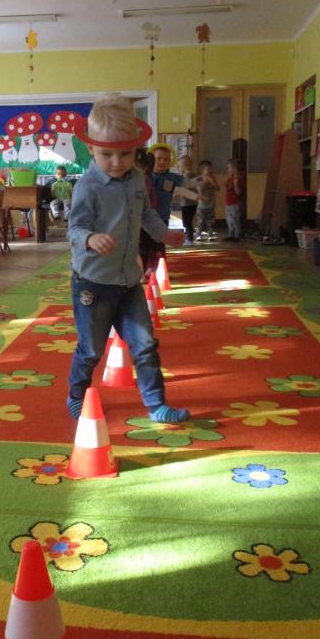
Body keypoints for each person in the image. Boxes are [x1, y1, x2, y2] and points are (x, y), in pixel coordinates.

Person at [67, 93, 190, 425]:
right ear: (91, 148)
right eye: (107, 154)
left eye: (126, 153)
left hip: (128, 281)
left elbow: (146, 214)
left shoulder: (137, 178)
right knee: (91, 350)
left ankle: (156, 405)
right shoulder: (87, 187)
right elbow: (74, 229)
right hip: (93, 283)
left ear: (136, 149)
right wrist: (90, 238)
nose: (117, 162)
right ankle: (76, 395)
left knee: (145, 344)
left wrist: (163, 233)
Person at [134, 147, 160, 278]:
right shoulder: (142, 181)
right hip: (137, 222)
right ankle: (144, 270)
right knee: (142, 248)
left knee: (145, 247)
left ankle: (145, 270)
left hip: (143, 222)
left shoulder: (145, 182)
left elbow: (148, 208)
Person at [194, 159, 220, 242]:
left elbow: (218, 188)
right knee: (200, 220)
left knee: (210, 220)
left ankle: (210, 234)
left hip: (211, 203)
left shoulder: (213, 178)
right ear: (202, 170)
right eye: (208, 169)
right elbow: (199, 190)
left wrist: (212, 181)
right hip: (202, 204)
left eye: (211, 169)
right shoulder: (199, 178)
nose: (210, 171)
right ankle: (198, 235)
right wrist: (205, 182)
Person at [177, 155, 198, 244]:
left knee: (186, 221)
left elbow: (185, 186)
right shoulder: (193, 174)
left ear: (184, 166)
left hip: (187, 203)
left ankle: (189, 236)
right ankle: (189, 233)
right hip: (193, 203)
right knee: (189, 219)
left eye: (179, 166)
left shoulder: (187, 175)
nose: (179, 168)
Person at [223, 158, 245, 241]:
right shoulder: (231, 177)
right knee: (229, 220)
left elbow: (238, 192)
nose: (227, 170)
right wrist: (227, 180)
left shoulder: (239, 178)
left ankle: (237, 236)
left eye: (229, 168)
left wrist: (235, 183)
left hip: (235, 203)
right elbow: (226, 185)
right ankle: (231, 234)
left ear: (234, 169)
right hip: (228, 202)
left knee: (235, 220)